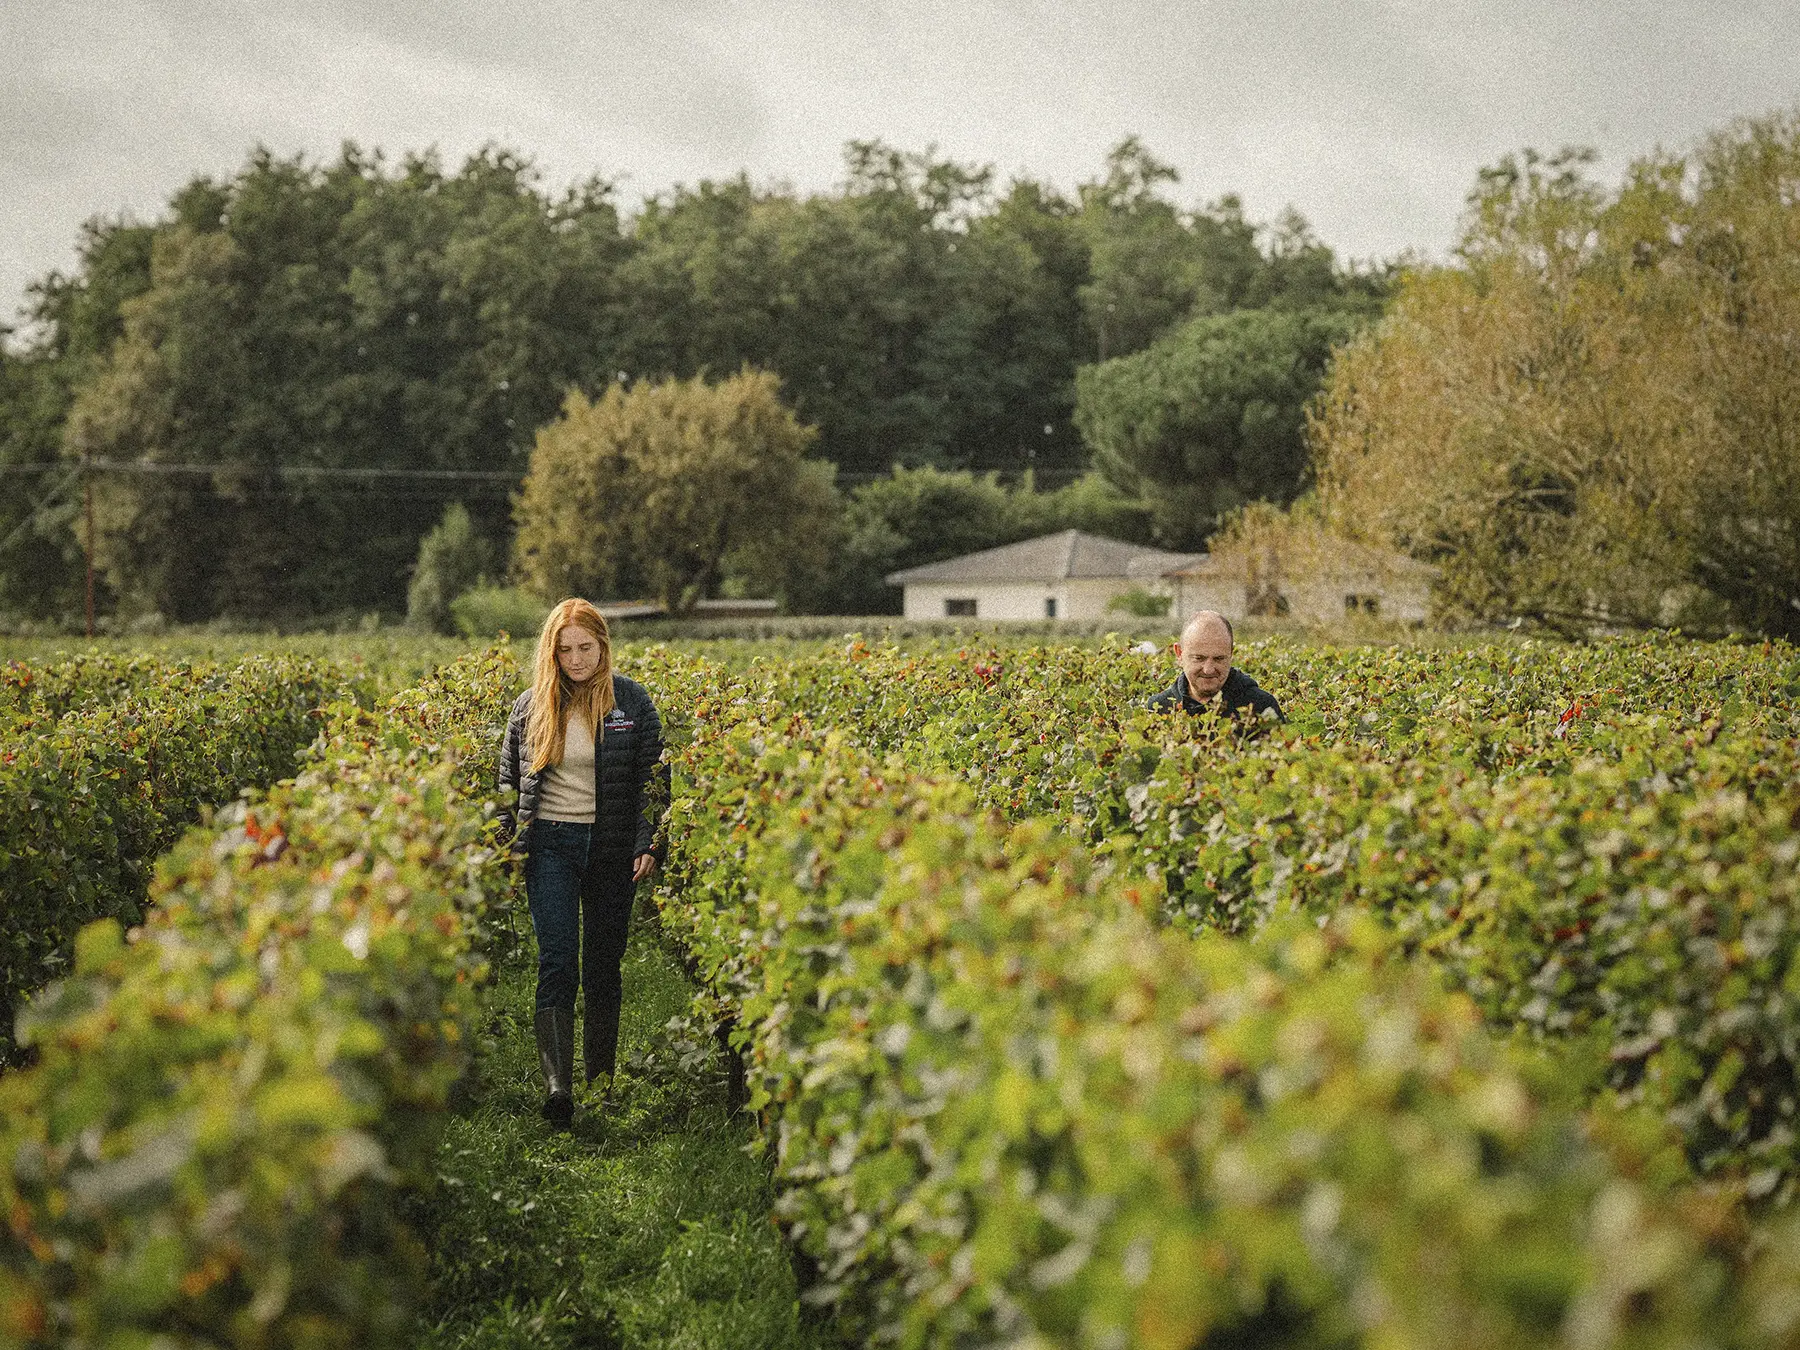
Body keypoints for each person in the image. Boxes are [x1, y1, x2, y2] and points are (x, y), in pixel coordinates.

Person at [497, 598, 667, 1126]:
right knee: (557, 961)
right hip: (550, 845)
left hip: (612, 848)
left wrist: (649, 842)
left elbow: (654, 781)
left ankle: (601, 1083)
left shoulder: (631, 704)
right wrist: (508, 847)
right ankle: (559, 1091)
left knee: (602, 966)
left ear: (603, 647)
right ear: (552, 652)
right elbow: (507, 784)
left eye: (585, 648)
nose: (575, 659)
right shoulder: (530, 708)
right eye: (565, 649)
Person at [1148, 610, 1283, 722]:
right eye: (1199, 658)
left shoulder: (1262, 707)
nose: (1208, 670)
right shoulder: (1157, 709)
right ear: (1179, 654)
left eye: (1219, 659)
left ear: (1231, 654)